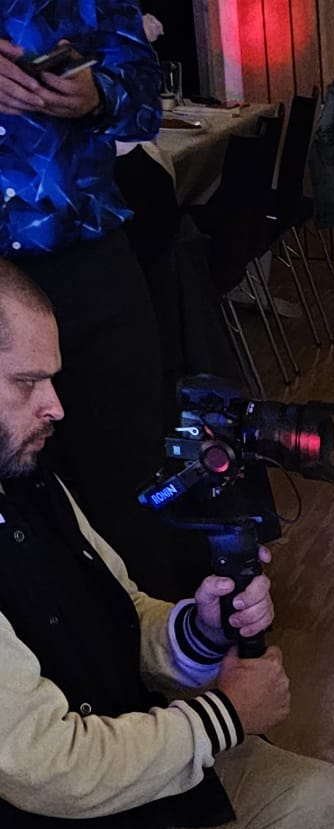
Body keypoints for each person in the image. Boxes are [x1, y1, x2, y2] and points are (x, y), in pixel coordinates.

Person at [0, 261, 334, 829]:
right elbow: (48, 766)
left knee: (319, 804)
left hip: (124, 805)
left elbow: (121, 612)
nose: (56, 406)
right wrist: (223, 715)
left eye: (52, 379)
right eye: (26, 383)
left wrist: (198, 627)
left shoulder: (27, 477)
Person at [0, 2, 175, 592]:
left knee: (130, 471)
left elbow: (146, 102)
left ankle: (157, 634)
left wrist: (98, 96)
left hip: (87, 261)